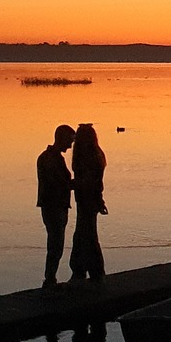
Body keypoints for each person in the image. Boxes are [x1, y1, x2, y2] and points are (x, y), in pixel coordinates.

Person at [35, 125, 75, 287]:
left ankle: (50, 277)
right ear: (61, 138)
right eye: (69, 141)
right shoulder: (50, 159)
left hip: (54, 206)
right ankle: (50, 279)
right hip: (54, 207)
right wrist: (78, 184)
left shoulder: (50, 157)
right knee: (56, 243)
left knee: (55, 242)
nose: (71, 145)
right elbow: (58, 184)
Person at [69, 122, 108, 281]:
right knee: (84, 234)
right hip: (89, 199)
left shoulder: (88, 156)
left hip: (87, 199)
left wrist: (67, 184)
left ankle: (92, 271)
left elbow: (88, 181)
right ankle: (84, 270)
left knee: (86, 235)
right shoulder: (96, 154)